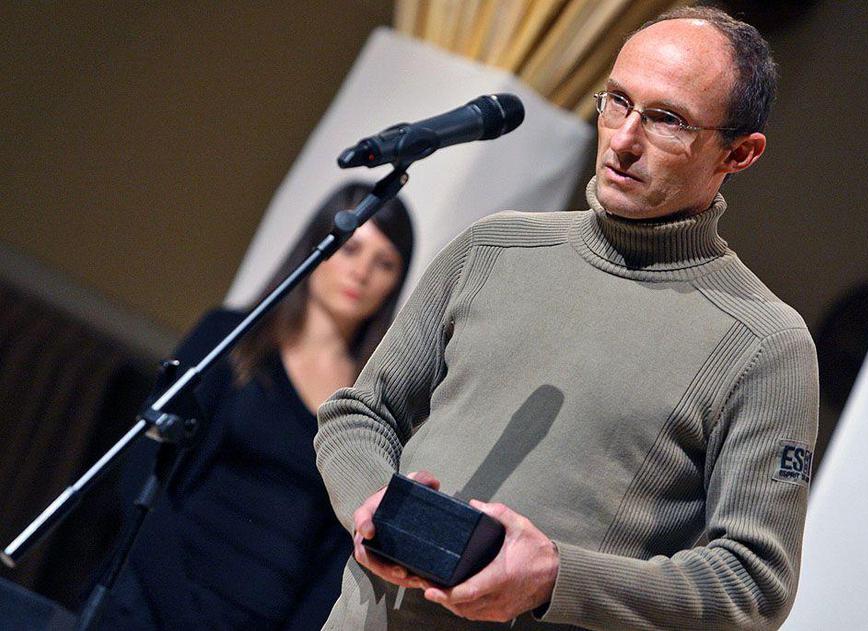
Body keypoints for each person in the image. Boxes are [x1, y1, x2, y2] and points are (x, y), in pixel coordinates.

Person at [314, 6, 818, 631]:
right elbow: (361, 413)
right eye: (618, 102)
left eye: (667, 119)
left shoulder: (764, 344)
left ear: (739, 153)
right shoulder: (492, 248)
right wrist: (372, 501)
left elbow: (754, 583)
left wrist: (556, 578)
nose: (624, 140)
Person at [100, 182, 414, 629]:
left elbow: (341, 554)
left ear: (396, 284)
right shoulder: (229, 339)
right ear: (318, 244)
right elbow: (142, 471)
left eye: (384, 263)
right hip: (149, 604)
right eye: (351, 249)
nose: (361, 273)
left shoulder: (373, 408)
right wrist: (180, 613)